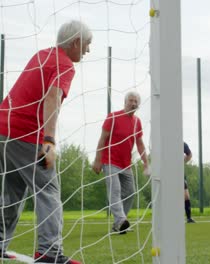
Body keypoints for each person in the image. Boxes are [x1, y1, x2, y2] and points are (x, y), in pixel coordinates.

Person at [0, 20, 92, 263]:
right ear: (74, 42)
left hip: (3, 129)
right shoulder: (65, 64)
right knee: (48, 191)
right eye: (86, 44)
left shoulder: (42, 55)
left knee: (13, 192)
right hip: (24, 133)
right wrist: (49, 141)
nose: (87, 50)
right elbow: (53, 97)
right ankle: (50, 252)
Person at [92, 91, 148, 234]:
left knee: (130, 192)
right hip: (109, 161)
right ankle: (121, 220)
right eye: (131, 100)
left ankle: (119, 223)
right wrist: (97, 160)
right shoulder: (113, 117)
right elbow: (102, 138)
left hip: (126, 164)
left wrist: (146, 163)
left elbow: (140, 143)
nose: (133, 103)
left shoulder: (137, 122)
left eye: (136, 101)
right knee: (115, 190)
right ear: (125, 102)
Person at [184, 142, 195, 223]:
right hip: (166, 171)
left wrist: (182, 161)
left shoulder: (182, 144)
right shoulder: (165, 142)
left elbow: (189, 154)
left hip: (179, 172)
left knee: (186, 196)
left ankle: (189, 218)